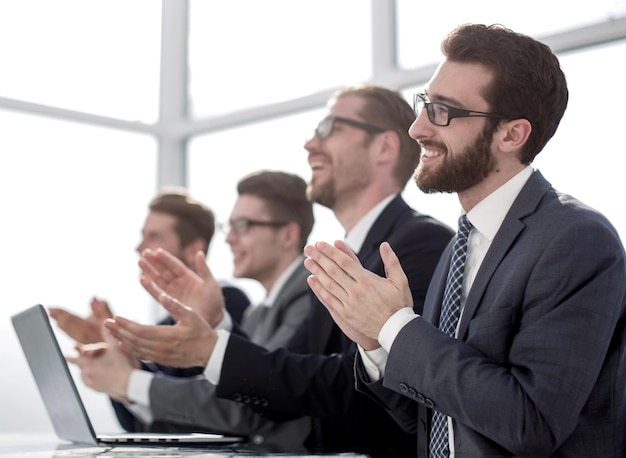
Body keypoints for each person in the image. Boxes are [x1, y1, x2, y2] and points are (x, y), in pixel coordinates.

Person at [304, 24, 626, 457]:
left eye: (443, 111)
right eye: (424, 104)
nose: (417, 128)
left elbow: (530, 423)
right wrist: (376, 345)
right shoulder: (462, 244)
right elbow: (436, 415)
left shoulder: (576, 239)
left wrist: (395, 327)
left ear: (512, 135)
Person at [98, 84, 455, 455]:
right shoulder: (345, 255)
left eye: (330, 127)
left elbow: (362, 391)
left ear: (384, 147)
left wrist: (211, 348)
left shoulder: (418, 243)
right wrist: (214, 331)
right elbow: (289, 379)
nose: (310, 144)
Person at [69, 171, 316, 447]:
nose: (229, 239)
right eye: (230, 227)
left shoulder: (309, 296)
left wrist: (130, 382)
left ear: (288, 235)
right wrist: (122, 372)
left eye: (243, 226)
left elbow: (247, 404)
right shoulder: (256, 314)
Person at [51, 188, 251, 431]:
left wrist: (129, 379)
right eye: (143, 235)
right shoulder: (166, 322)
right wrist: (118, 354)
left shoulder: (229, 301)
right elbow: (143, 424)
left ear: (192, 249)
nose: (139, 247)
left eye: (154, 237)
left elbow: (214, 416)